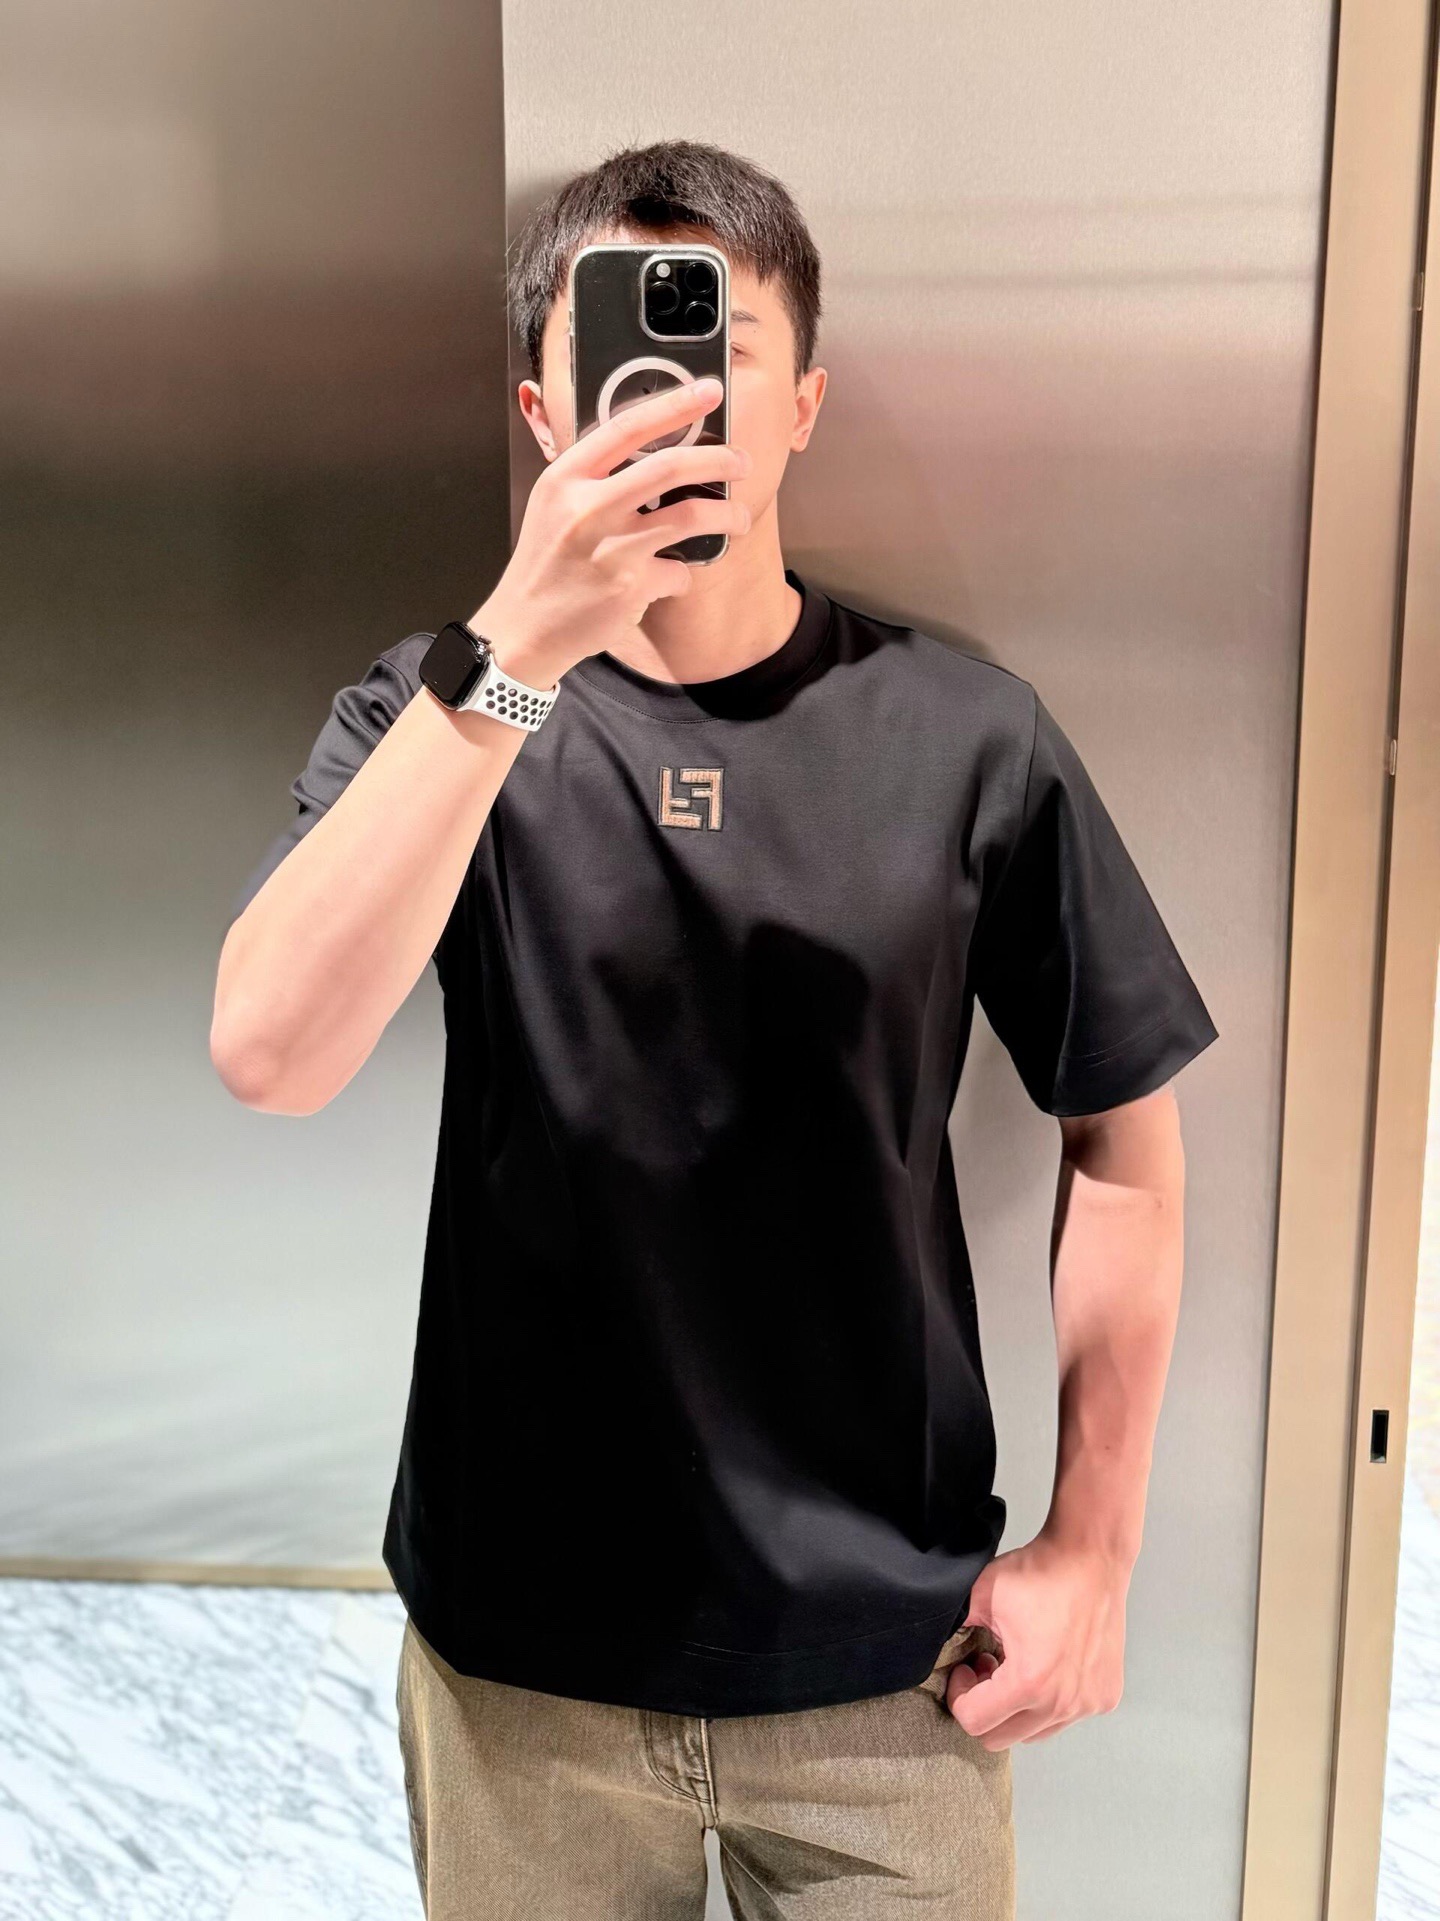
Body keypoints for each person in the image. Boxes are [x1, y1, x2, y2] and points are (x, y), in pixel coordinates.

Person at [212, 138, 1219, 1921]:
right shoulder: (434, 720)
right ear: (545, 411)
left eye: (726, 346)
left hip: (890, 1669)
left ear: (804, 403)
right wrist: (517, 650)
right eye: (627, 353)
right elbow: (271, 1055)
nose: (680, 396)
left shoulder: (965, 737)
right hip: (524, 1666)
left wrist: (1100, 1543)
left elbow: (1124, 1126)